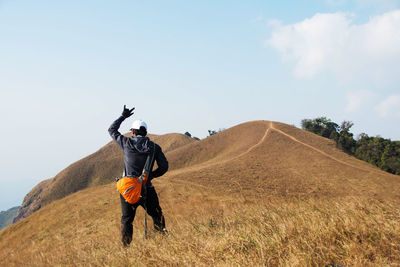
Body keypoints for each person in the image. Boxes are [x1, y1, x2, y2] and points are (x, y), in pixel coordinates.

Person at [108, 105, 169, 247]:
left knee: (127, 220)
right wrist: (151, 176)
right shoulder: (154, 147)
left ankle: (126, 248)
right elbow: (164, 167)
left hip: (128, 189)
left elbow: (111, 130)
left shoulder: (127, 143)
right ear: (146, 132)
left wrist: (122, 116)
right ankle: (162, 242)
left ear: (133, 132)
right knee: (156, 215)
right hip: (146, 188)